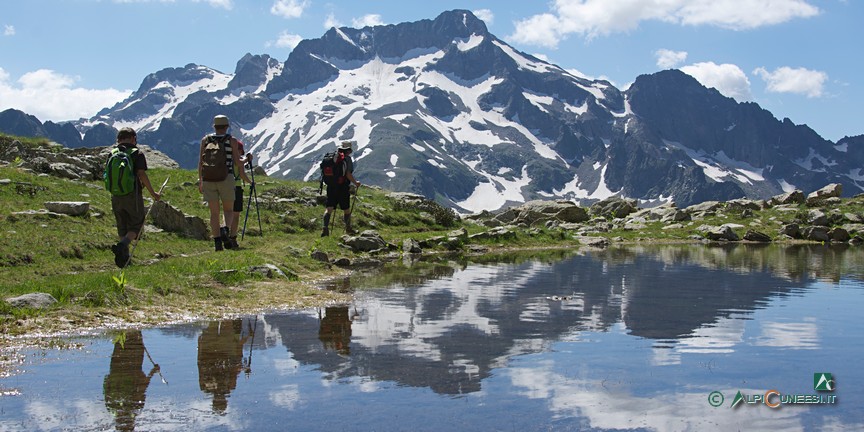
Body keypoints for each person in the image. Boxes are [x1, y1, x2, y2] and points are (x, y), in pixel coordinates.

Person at [198, 115, 252, 251]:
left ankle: (217, 243)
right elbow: (237, 162)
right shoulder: (231, 140)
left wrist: (201, 180)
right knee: (228, 209)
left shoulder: (205, 140)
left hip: (209, 178)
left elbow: (201, 162)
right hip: (226, 177)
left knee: (214, 213)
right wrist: (247, 159)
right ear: (227, 126)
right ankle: (225, 229)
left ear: (214, 126)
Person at [110, 127, 161, 268]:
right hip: (133, 195)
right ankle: (122, 246)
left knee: (122, 225)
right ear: (133, 138)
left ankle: (124, 259)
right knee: (136, 224)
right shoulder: (136, 153)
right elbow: (141, 175)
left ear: (119, 139)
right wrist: (153, 193)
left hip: (115, 195)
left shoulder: (112, 153)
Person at [321, 140, 361, 237]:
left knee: (329, 208)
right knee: (346, 209)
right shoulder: (347, 159)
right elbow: (348, 174)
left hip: (331, 186)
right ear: (348, 150)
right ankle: (348, 229)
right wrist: (356, 183)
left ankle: (325, 228)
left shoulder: (331, 157)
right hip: (342, 187)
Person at [228, 140, 253, 247]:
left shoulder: (226, 159)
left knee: (227, 211)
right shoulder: (239, 161)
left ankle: (224, 232)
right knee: (236, 214)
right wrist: (251, 182)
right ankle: (232, 237)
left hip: (225, 186)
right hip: (236, 187)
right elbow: (242, 174)